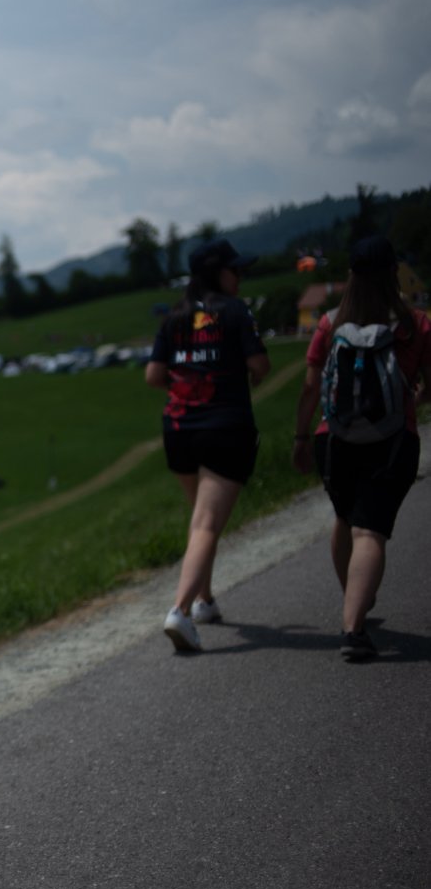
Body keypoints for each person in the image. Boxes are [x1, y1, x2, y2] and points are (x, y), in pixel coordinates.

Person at [290, 235, 431, 661]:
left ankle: (355, 598)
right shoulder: (416, 323)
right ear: (393, 273)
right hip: (392, 439)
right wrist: (415, 397)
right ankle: (353, 629)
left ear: (350, 275)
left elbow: (312, 386)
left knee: (345, 517)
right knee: (370, 530)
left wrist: (300, 438)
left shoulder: (330, 323)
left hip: (333, 440)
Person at [145, 238, 270, 652]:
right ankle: (179, 611)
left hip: (179, 430)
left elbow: (153, 376)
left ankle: (204, 601)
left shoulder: (174, 316)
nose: (240, 276)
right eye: (236, 269)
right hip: (224, 428)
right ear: (219, 273)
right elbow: (259, 365)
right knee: (206, 524)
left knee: (201, 518)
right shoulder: (236, 311)